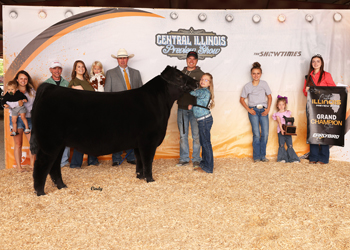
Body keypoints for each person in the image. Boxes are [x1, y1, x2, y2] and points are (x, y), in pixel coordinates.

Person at [104, 48, 143, 166]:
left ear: (128, 59)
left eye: (124, 58)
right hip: (117, 109)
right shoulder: (110, 73)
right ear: (117, 60)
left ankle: (131, 157)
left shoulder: (136, 73)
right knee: (117, 133)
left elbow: (141, 91)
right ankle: (116, 158)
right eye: (120, 58)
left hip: (133, 109)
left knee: (132, 133)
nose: (122, 60)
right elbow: (107, 92)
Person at [303, 54, 336, 164]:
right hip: (312, 107)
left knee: (324, 132)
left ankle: (323, 158)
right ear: (311, 64)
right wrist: (307, 90)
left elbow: (333, 89)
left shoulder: (326, 75)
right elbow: (304, 92)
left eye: (318, 61)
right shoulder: (308, 77)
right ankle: (313, 157)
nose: (315, 63)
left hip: (324, 107)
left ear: (321, 63)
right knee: (313, 131)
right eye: (313, 61)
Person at [68, 60, 99, 168]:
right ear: (75, 69)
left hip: (92, 112)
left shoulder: (88, 81)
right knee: (80, 139)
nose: (81, 68)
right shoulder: (73, 82)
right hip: (80, 114)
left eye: (83, 67)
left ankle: (92, 160)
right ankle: (75, 163)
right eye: (79, 67)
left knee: (92, 137)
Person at [4, 70, 36, 172]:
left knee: (33, 143)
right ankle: (19, 167)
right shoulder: (11, 91)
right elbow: (6, 105)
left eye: (25, 78)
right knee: (18, 144)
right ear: (17, 80)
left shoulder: (32, 92)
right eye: (21, 78)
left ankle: (32, 166)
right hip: (15, 119)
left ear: (28, 80)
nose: (23, 80)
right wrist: (16, 106)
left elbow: (35, 106)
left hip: (29, 119)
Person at [240, 62, 272, 162]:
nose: (256, 75)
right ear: (251, 74)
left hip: (263, 110)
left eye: (258, 73)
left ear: (261, 74)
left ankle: (263, 155)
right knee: (256, 134)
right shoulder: (247, 86)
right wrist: (249, 109)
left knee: (265, 133)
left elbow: (269, 97)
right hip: (253, 111)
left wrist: (268, 109)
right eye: (254, 73)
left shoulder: (264, 84)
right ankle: (257, 156)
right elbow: (241, 99)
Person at [176, 51, 204, 167]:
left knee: (196, 135)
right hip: (182, 108)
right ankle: (184, 158)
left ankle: (197, 158)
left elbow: (204, 93)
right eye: (189, 58)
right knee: (183, 135)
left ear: (197, 61)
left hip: (196, 110)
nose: (191, 61)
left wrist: (194, 104)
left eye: (194, 59)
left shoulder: (201, 75)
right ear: (186, 59)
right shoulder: (180, 73)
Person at [44, 60, 70, 167]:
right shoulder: (46, 84)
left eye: (59, 68)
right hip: (51, 116)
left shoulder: (67, 84)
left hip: (65, 116)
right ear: (50, 70)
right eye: (54, 68)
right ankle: (53, 162)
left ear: (61, 70)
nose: (57, 71)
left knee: (66, 139)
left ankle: (64, 162)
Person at [188, 73, 215, 173]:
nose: (203, 81)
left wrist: (187, 86)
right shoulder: (204, 91)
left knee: (206, 143)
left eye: (206, 80)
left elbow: (192, 93)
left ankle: (208, 167)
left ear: (209, 84)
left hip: (204, 120)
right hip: (203, 120)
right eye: (202, 79)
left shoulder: (203, 91)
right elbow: (200, 104)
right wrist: (193, 106)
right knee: (204, 143)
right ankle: (204, 164)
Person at [272, 96, 300, 163]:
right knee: (281, 144)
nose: (281, 106)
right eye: (280, 104)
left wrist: (291, 129)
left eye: (282, 104)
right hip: (281, 131)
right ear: (277, 105)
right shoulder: (277, 114)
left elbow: (290, 121)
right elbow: (279, 122)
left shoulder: (288, 113)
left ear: (285, 105)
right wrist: (281, 130)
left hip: (288, 131)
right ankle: (282, 158)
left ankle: (293, 159)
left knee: (290, 145)